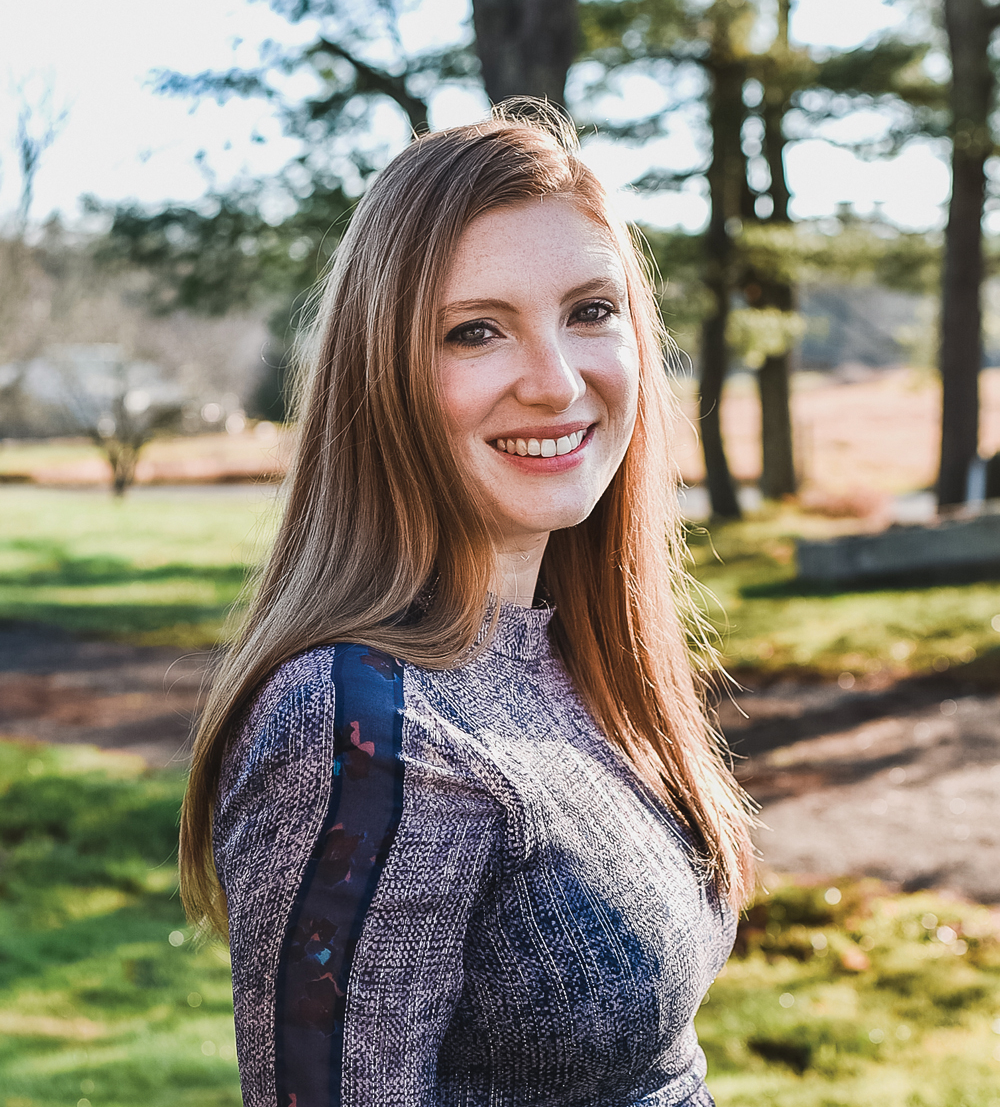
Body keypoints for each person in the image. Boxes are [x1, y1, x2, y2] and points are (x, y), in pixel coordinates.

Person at [179, 102, 755, 1107]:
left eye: (589, 312)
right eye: (476, 332)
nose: (555, 380)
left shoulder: (564, 657)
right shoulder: (360, 728)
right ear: (384, 375)